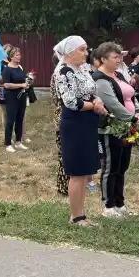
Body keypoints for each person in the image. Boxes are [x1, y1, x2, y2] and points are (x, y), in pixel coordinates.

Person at [53, 36, 107, 226]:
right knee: (77, 172)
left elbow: (90, 91)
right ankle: (76, 217)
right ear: (69, 52)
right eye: (82, 50)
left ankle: (82, 214)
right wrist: (93, 105)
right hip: (75, 123)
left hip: (87, 122)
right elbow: (71, 102)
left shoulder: (82, 69)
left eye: (86, 49)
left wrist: (97, 100)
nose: (86, 53)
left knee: (85, 171)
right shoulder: (64, 71)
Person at [93, 42, 139, 217]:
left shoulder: (119, 74)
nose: (119, 60)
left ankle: (120, 203)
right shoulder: (100, 79)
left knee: (122, 166)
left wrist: (138, 111)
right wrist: (131, 118)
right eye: (115, 57)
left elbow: (132, 95)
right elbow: (112, 104)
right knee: (111, 167)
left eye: (120, 56)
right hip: (111, 128)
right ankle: (108, 205)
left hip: (128, 127)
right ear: (103, 59)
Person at [1, 45, 29, 153]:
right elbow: (6, 85)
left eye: (19, 54)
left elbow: (23, 80)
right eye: (17, 55)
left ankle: (18, 141)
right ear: (11, 57)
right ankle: (8, 143)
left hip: (21, 97)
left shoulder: (19, 68)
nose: (19, 56)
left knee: (20, 119)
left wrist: (27, 83)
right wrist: (21, 85)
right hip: (11, 98)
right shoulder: (7, 70)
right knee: (10, 120)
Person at [50, 54, 69, 196]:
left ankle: (68, 184)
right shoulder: (59, 75)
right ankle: (63, 185)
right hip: (63, 115)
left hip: (61, 113)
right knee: (65, 153)